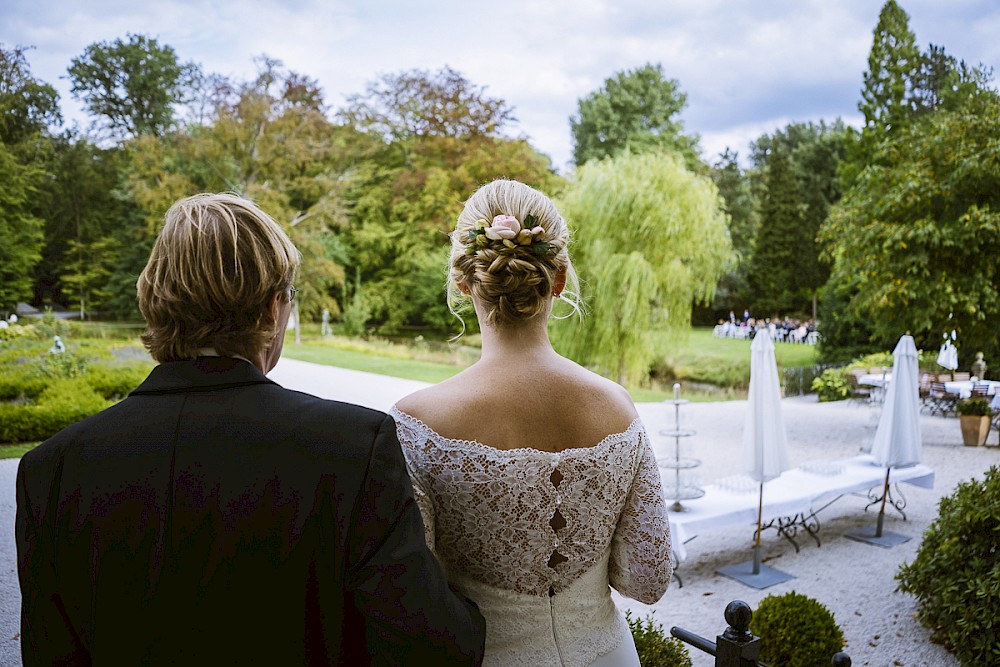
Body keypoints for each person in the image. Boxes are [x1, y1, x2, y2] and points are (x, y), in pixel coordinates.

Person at [16, 193, 485, 666]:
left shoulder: (51, 469)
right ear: (270, 310)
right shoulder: (352, 448)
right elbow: (432, 648)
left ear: (152, 302)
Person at [390, 180, 672, 666]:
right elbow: (647, 580)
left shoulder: (417, 424)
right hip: (607, 656)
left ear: (463, 282)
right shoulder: (617, 407)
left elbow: (413, 600)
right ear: (558, 279)